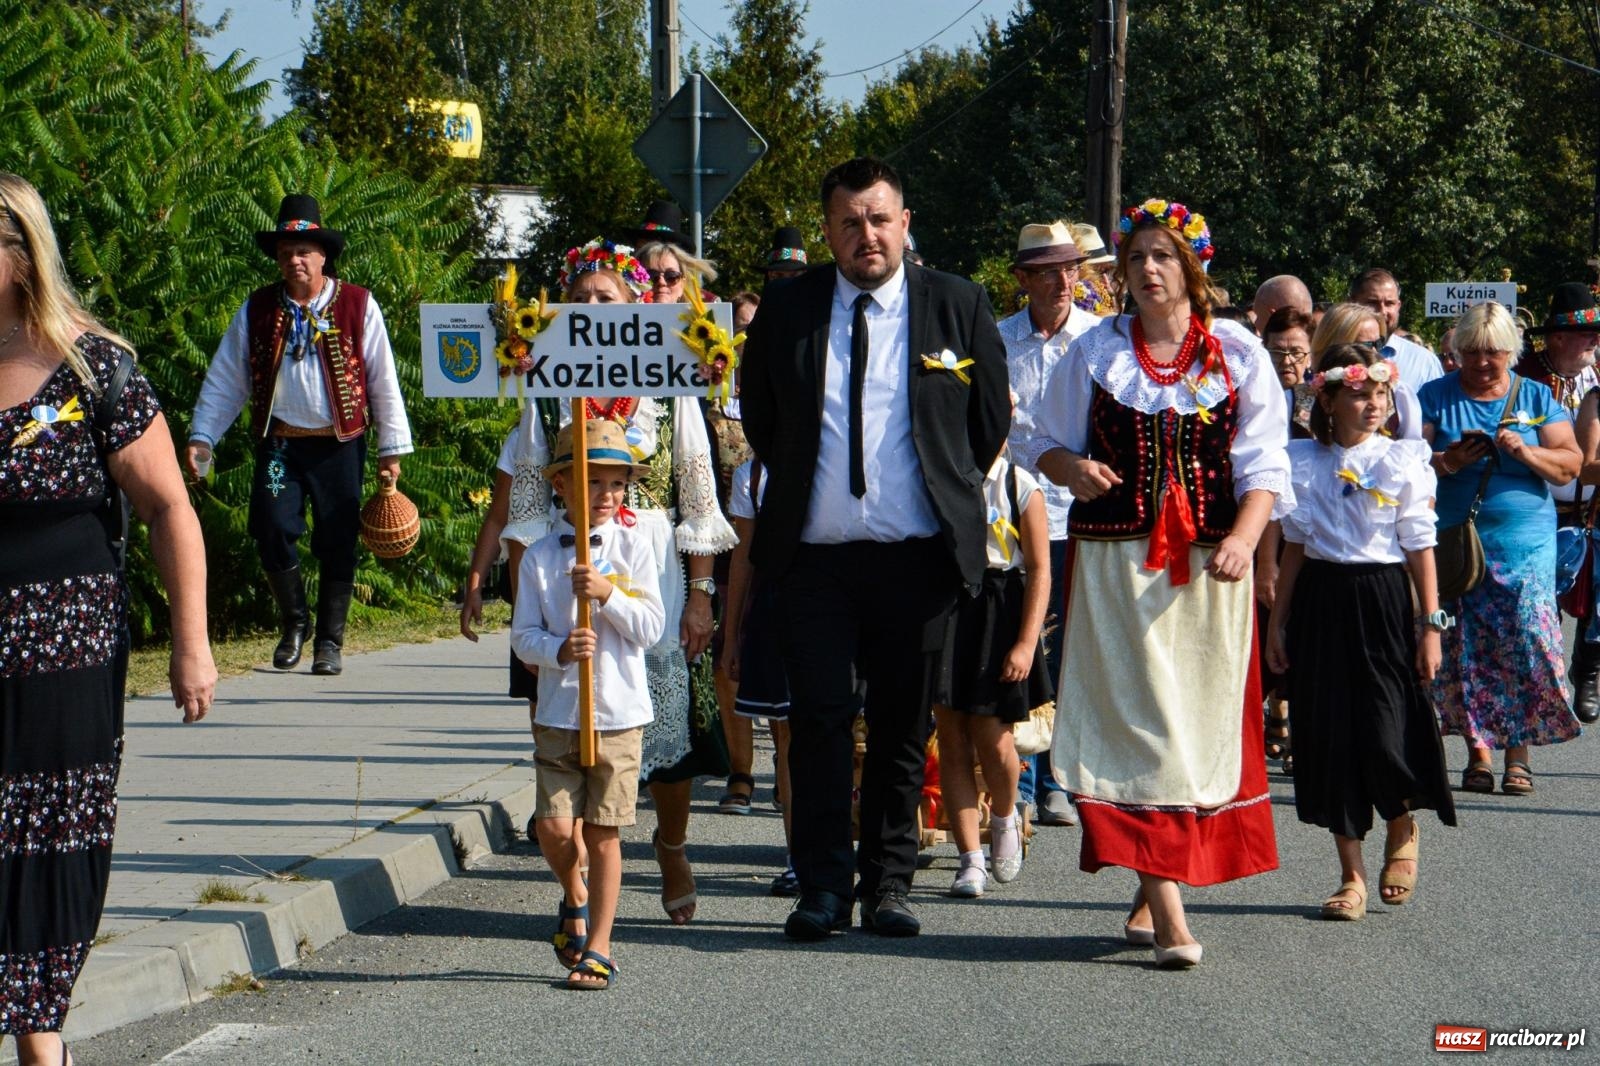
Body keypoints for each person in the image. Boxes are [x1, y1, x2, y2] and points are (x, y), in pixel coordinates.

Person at [741, 156, 1010, 941]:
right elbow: (763, 417)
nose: (868, 235)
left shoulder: (956, 305)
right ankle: (823, 886)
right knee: (820, 722)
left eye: (880, 219)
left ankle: (889, 884)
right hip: (816, 556)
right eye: (851, 221)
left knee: (900, 727)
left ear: (905, 223)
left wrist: (944, 488)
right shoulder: (789, 310)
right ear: (828, 230)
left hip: (917, 557)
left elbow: (986, 422)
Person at [1028, 198, 1291, 970]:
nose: (1147, 270)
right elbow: (1040, 438)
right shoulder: (1096, 353)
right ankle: (1172, 915)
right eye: (1137, 257)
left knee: (1196, 729)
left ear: (1191, 270)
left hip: (1212, 570)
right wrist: (1070, 468)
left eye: (1162, 257)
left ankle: (1152, 885)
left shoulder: (1236, 353)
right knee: (1143, 727)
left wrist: (1245, 539)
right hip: (1116, 566)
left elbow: (1266, 465)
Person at [0, 173, 217, 1064]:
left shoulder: (95, 367)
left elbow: (170, 507)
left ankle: (40, 1035)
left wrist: (192, 646)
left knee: (50, 837)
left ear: (19, 254)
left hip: (67, 652)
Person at [483, 237, 735, 924]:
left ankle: (672, 843)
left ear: (633, 308)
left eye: (608, 298)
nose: (594, 308)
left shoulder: (663, 374)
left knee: (668, 718)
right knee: (576, 717)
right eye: (583, 298)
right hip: (568, 558)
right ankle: (584, 876)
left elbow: (695, 482)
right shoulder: (547, 385)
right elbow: (530, 494)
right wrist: (524, 590)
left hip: (649, 559)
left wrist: (703, 594)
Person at [1266, 343, 1455, 921]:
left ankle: (1401, 820)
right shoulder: (1302, 460)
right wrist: (1278, 622)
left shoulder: (1401, 459)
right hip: (1322, 603)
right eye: (1359, 394)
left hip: (1384, 600)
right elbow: (1294, 548)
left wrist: (1431, 626)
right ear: (1327, 398)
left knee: (1382, 727)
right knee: (1329, 738)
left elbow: (1421, 547)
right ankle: (1350, 876)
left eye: (1380, 393)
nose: (1373, 404)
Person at [187, 194, 413, 676]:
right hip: (280, 446)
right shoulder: (258, 309)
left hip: (340, 444)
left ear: (323, 255)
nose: (295, 260)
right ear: (277, 258)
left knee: (338, 538)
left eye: (305, 250)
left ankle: (330, 641)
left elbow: (382, 378)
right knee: (271, 526)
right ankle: (294, 622)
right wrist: (203, 435)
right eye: (287, 252)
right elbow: (228, 378)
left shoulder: (357, 304)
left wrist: (391, 450)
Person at [511, 419, 664, 991]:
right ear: (561, 485)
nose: (606, 495)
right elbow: (522, 636)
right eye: (593, 482)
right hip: (559, 713)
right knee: (554, 828)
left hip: (619, 717)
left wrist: (608, 595)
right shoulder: (540, 559)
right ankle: (573, 892)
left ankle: (599, 946)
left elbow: (651, 626)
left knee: (603, 832)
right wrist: (558, 649)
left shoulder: (634, 547)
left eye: (616, 484)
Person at [1419, 301, 1581, 795]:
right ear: (1456, 350)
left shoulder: (1535, 395)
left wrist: (1526, 451)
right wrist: (1446, 461)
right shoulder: (1434, 396)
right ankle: (1479, 754)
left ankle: (1519, 754)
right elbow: (1407, 461)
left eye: (1492, 353)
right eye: (1471, 352)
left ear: (1510, 351)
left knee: (1526, 640)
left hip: (1524, 544)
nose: (1482, 362)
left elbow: (1570, 464)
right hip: (1455, 542)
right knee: (1465, 646)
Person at [998, 221, 1095, 829]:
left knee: (1068, 647)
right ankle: (1025, 779)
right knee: (1019, 644)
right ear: (1024, 279)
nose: (1062, 281)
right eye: (1048, 271)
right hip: (1008, 514)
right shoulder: (997, 338)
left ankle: (1061, 773)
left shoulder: (1097, 339)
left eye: (1070, 269)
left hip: (1076, 513)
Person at [933, 443, 1051, 897]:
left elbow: (1039, 570)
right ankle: (969, 859)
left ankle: (1004, 816)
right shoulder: (941, 476)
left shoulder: (1020, 485)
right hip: (948, 606)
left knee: (993, 735)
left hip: (999, 612)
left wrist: (1025, 643)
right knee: (951, 735)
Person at [1517, 283, 1600, 723]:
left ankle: (1587, 670)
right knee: (1538, 604)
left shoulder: (1598, 378)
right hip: (1536, 509)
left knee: (1597, 594)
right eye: (1587, 334)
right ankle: (1542, 683)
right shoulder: (1525, 379)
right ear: (1557, 338)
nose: (1595, 341)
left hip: (1591, 509)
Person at [719, 454, 798, 894]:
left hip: (837, 600)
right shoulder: (754, 473)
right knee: (788, 732)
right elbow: (743, 557)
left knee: (833, 732)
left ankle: (847, 847)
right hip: (775, 605)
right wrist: (732, 637)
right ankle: (799, 857)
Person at [1255, 306, 1318, 774]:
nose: (1288, 360)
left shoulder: (1320, 399)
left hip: (1309, 533)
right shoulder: (1252, 395)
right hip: (1259, 532)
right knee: (1259, 640)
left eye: (1297, 351)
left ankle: (1305, 733)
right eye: (1279, 351)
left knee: (1304, 638)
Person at [1311, 302, 1424, 439]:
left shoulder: (1398, 393)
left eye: (1379, 343)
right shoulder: (1296, 397)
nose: (1375, 352)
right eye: (1364, 346)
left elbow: (1413, 449)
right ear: (1332, 344)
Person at [1350, 267, 1443, 391]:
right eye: (1372, 302)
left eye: (1389, 303)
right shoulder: (1332, 354)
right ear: (1351, 303)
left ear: (1398, 306)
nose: (1382, 312)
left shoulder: (1424, 362)